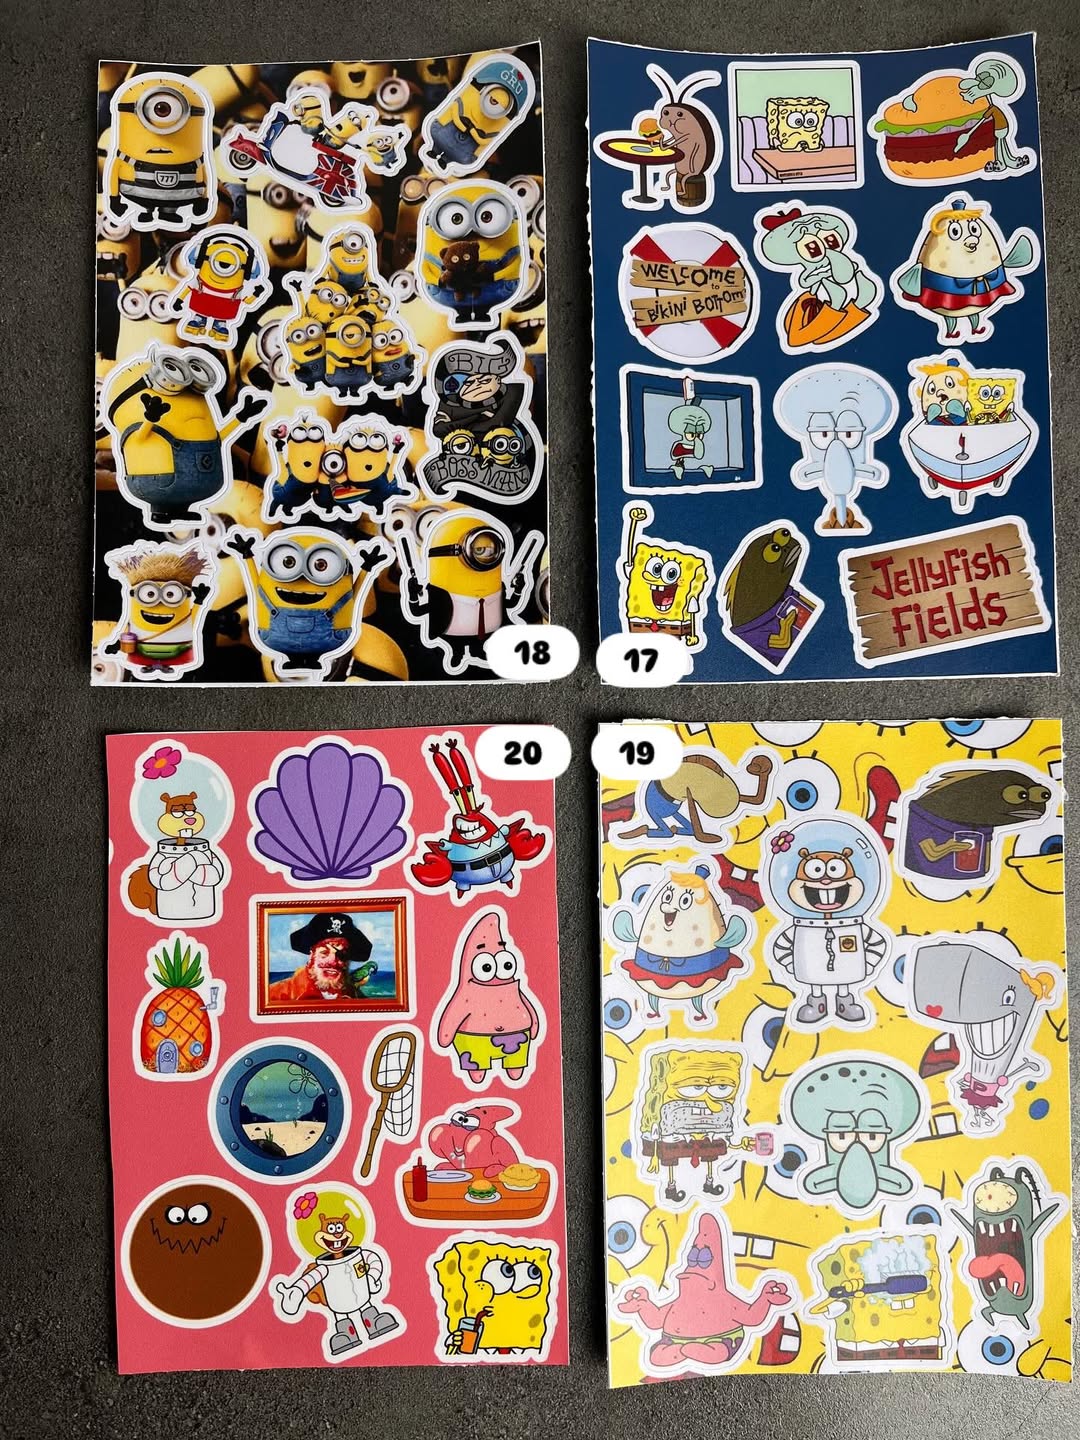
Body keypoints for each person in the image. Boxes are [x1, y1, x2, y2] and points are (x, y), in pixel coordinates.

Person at [268, 911, 373, 1003]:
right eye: (324, 953)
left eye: (341, 955)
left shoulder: (356, 997)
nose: (333, 961)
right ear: (312, 955)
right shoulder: (273, 994)